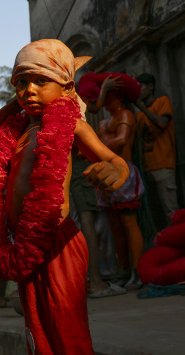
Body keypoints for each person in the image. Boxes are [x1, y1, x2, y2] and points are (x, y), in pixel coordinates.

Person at [0, 39, 130, 355]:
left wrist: (116, 173)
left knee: (66, 333)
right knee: (38, 335)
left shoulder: (71, 124)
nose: (28, 89)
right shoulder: (13, 135)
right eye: (21, 82)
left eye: (40, 81)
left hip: (58, 243)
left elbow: (114, 160)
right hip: (23, 247)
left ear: (66, 86)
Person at [78, 72, 145, 291]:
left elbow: (121, 139)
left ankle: (137, 272)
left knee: (129, 223)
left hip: (123, 171)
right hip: (106, 175)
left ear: (119, 95)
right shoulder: (105, 120)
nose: (105, 98)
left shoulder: (125, 114)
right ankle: (124, 270)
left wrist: (99, 149)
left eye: (109, 94)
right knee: (115, 227)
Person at [134, 73, 178, 230]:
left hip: (164, 166)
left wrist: (140, 106)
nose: (138, 91)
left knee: (171, 213)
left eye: (141, 87)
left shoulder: (162, 102)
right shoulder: (139, 115)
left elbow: (162, 122)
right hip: (147, 170)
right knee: (156, 217)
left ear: (151, 86)